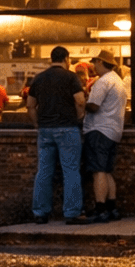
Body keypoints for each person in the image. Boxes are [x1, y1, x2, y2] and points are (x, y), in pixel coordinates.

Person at [27, 45, 87, 224]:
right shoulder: (70, 77)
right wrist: (78, 117)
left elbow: (30, 105)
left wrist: (37, 123)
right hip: (67, 128)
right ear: (66, 59)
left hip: (45, 130)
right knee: (71, 171)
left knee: (44, 171)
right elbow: (81, 101)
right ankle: (71, 212)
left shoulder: (39, 78)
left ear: (51, 59)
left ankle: (40, 212)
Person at [82, 50, 128, 222]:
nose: (94, 66)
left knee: (98, 170)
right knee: (107, 170)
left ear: (101, 62)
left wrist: (81, 102)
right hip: (113, 130)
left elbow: (94, 106)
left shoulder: (103, 82)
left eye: (95, 62)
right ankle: (112, 207)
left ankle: (101, 208)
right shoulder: (118, 81)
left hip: (98, 129)